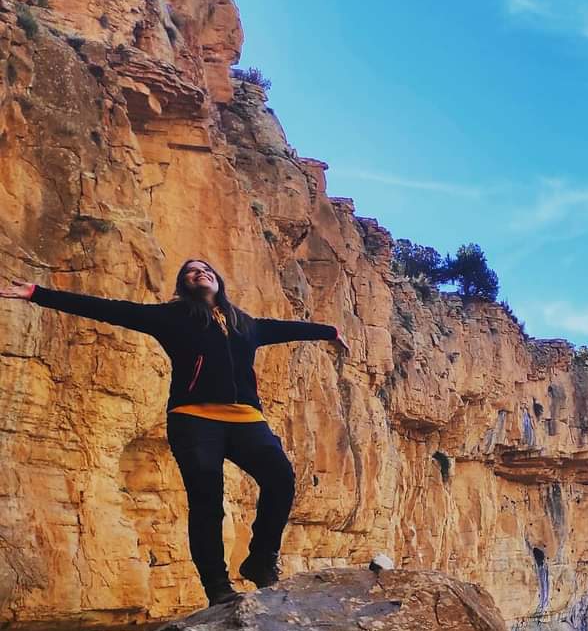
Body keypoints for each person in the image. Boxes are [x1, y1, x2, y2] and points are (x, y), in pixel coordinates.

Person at [0, 260, 350, 606]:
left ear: (218, 281)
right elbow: (108, 309)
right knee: (207, 502)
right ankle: (217, 587)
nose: (200, 273)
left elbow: (287, 329)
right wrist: (36, 293)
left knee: (281, 478)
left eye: (207, 269)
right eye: (191, 271)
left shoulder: (245, 324)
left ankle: (260, 558)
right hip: (193, 419)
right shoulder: (172, 317)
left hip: (246, 419)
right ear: (184, 285)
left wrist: (330, 332)